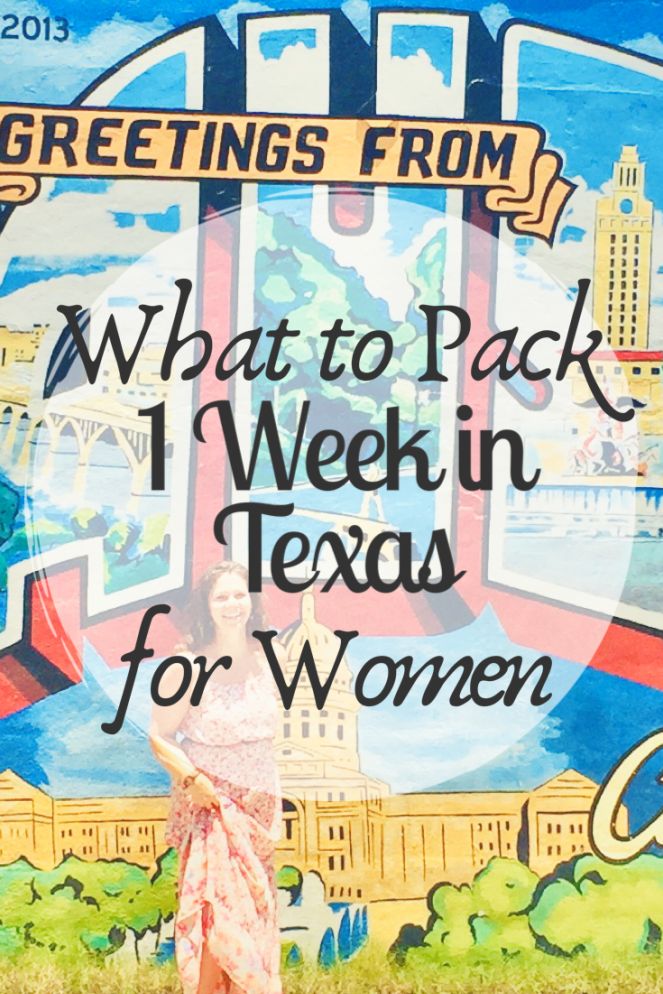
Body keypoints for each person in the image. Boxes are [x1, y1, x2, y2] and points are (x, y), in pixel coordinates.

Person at [149, 561, 283, 994]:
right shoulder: (186, 665)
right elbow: (160, 737)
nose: (232, 605)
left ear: (252, 602)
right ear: (206, 606)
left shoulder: (271, 657)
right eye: (221, 596)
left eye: (239, 595)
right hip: (213, 807)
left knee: (255, 918)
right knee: (218, 918)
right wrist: (194, 782)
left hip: (260, 808)